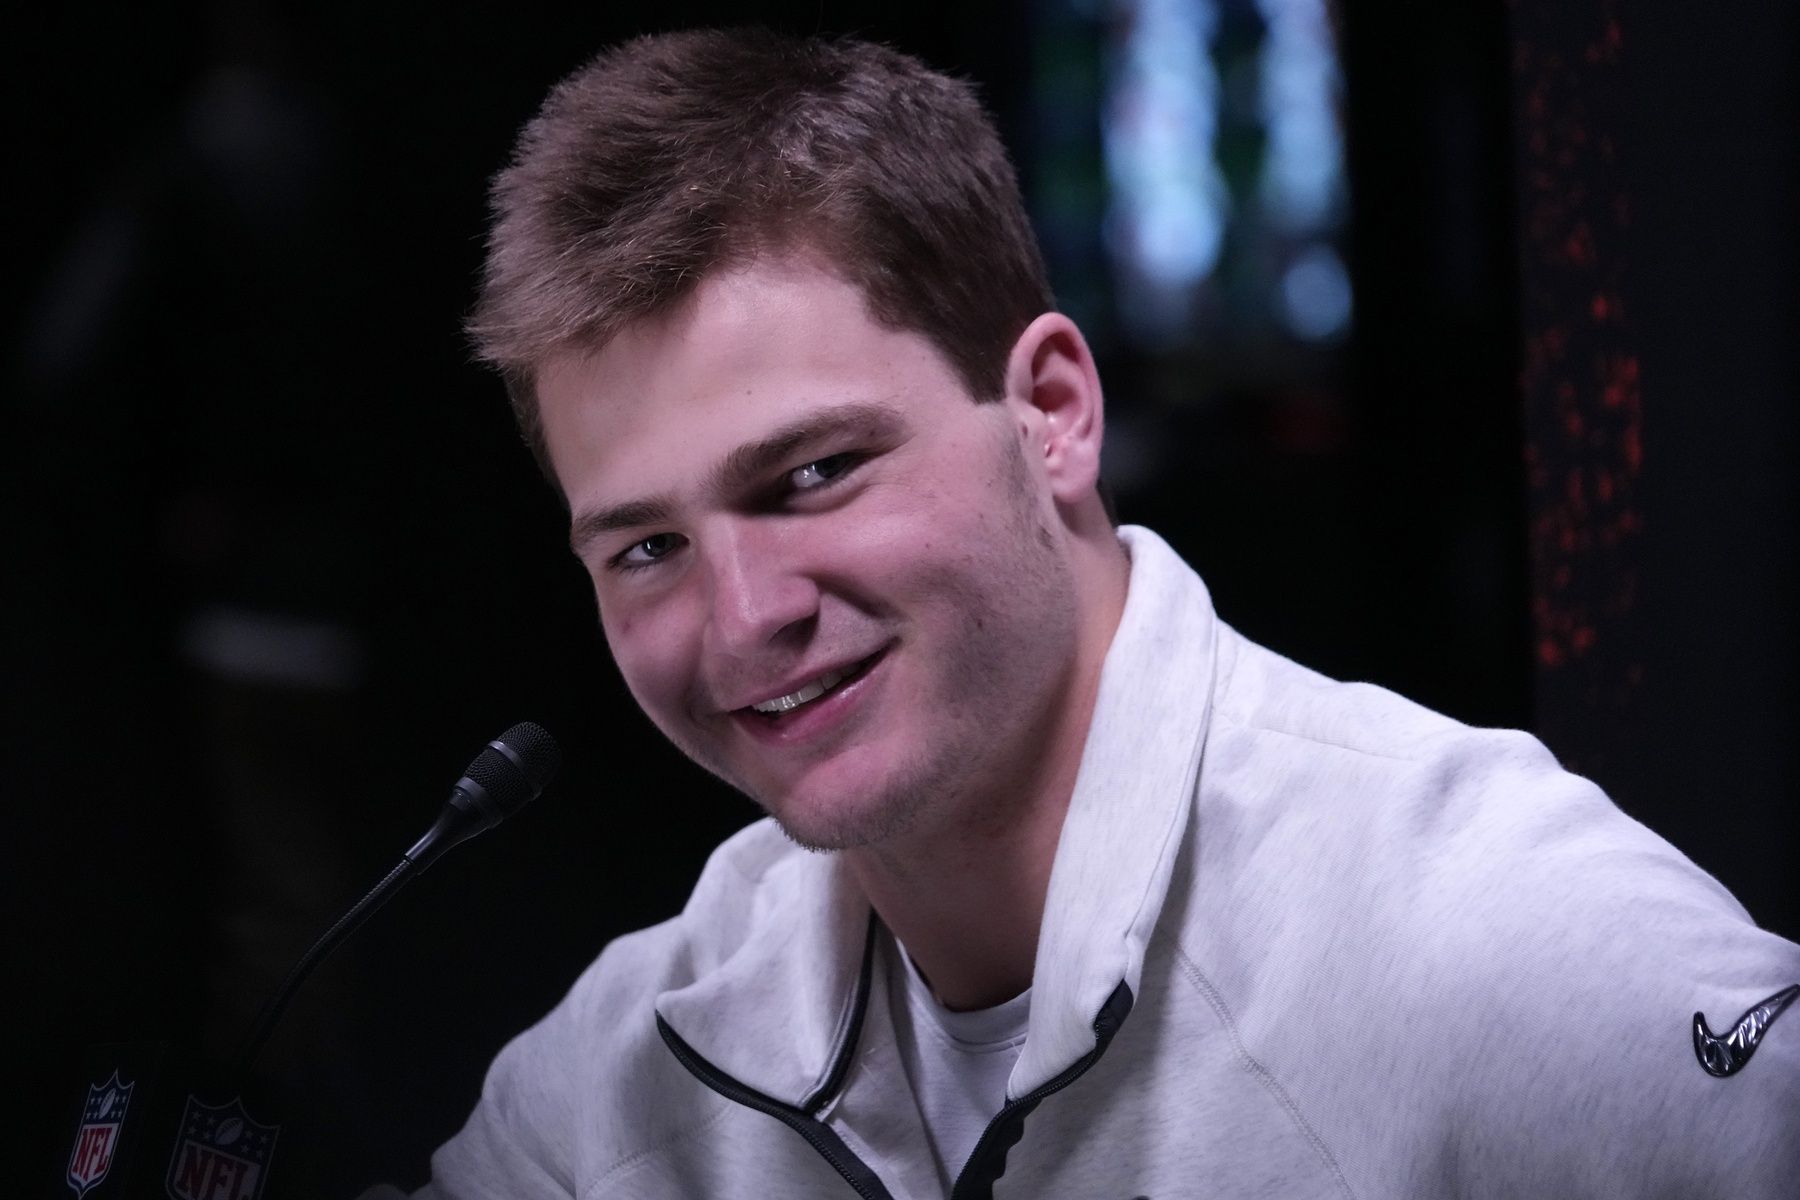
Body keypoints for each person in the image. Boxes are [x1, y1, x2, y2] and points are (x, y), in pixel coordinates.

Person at [401, 27, 1798, 1199]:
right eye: (646, 547)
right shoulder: (619, 1076)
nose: (743, 617)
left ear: (1053, 415)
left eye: (815, 474)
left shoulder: (1482, 930)